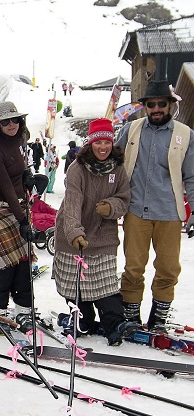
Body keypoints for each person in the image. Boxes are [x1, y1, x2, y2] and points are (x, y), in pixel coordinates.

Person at [115, 80, 194, 332]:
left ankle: (158, 320)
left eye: (162, 104)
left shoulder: (185, 134)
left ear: (170, 105)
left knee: (168, 269)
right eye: (151, 104)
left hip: (169, 212)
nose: (156, 108)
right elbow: (112, 164)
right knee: (133, 267)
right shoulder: (131, 130)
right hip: (136, 209)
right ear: (145, 107)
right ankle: (130, 317)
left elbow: (192, 177)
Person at [53, 118, 132, 345]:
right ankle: (83, 319)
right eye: (98, 143)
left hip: (103, 233)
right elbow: (72, 203)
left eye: (107, 142)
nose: (103, 147)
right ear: (91, 144)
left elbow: (124, 198)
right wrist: (75, 233)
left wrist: (111, 207)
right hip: (72, 234)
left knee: (106, 285)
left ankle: (114, 324)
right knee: (74, 284)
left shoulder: (118, 168)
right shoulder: (77, 169)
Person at [0, 101, 36, 333]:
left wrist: (29, 179)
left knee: (23, 264)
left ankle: (24, 310)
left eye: (15, 120)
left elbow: (18, 175)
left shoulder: (19, 142)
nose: (11, 124)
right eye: (6, 121)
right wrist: (23, 220)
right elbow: (5, 187)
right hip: (1, 211)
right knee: (3, 268)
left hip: (19, 207)